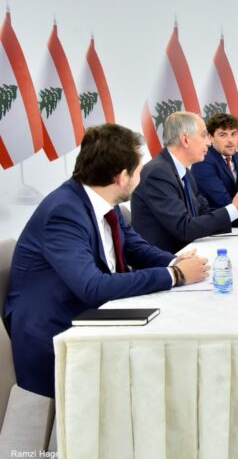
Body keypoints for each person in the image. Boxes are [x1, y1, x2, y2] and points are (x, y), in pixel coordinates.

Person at [3, 124, 210, 398]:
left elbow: (135, 248)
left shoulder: (103, 202)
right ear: (121, 177)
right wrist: (175, 275)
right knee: (157, 371)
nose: (141, 177)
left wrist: (176, 260)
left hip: (90, 316)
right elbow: (93, 287)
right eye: (139, 171)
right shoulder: (64, 211)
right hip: (55, 336)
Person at [132, 112, 238, 252]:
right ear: (185, 140)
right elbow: (184, 228)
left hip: (188, 251)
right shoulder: (157, 173)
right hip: (166, 258)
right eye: (204, 136)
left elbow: (203, 213)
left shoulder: (184, 172)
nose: (208, 143)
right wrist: (234, 209)